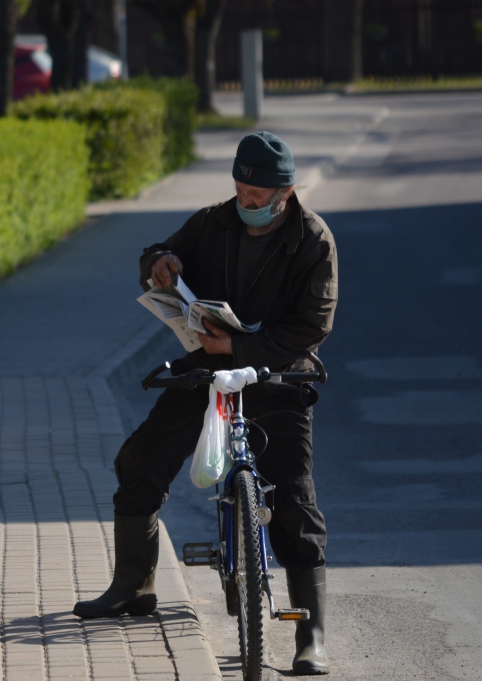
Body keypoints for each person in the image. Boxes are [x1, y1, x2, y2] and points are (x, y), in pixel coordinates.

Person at [74, 132, 337, 676]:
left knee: (292, 495)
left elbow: (313, 326)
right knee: (139, 460)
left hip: (275, 374)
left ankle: (309, 633)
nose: (246, 202)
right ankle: (134, 587)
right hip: (208, 371)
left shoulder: (314, 241)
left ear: (284, 193)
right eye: (240, 189)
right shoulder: (214, 221)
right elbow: (156, 253)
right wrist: (161, 263)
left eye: (257, 195)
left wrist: (238, 347)